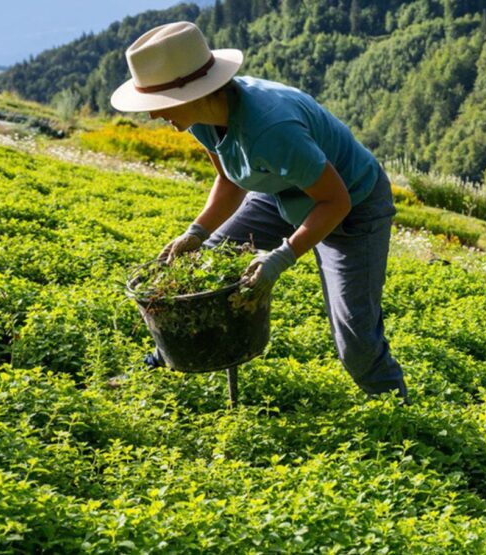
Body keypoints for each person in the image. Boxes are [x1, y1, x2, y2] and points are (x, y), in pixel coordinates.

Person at [110, 21, 406, 401]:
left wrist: (282, 257)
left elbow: (336, 201)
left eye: (159, 104)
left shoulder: (271, 128)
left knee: (356, 340)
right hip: (280, 189)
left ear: (193, 92)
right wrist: (196, 233)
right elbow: (231, 180)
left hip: (352, 207)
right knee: (207, 270)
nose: (153, 116)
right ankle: (160, 362)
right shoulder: (203, 117)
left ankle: (399, 417)